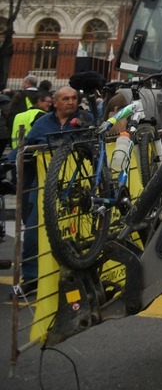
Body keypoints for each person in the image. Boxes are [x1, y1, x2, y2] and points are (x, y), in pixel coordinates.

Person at [11, 86, 92, 292]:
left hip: (75, 186)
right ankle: (31, 279)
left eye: (74, 98)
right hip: (44, 186)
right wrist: (9, 162)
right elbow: (25, 147)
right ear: (54, 102)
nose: (71, 102)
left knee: (77, 233)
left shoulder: (86, 119)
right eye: (65, 98)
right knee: (33, 233)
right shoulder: (42, 124)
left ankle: (78, 276)